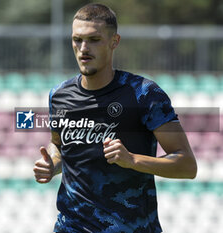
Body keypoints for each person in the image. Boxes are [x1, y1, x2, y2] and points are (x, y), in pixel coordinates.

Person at [33, 3, 197, 233]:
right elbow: (59, 145)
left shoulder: (144, 94)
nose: (83, 48)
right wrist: (52, 165)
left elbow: (187, 166)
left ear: (114, 42)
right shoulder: (59, 95)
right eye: (77, 39)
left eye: (93, 39)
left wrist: (132, 160)